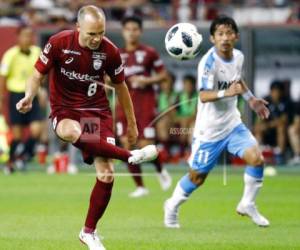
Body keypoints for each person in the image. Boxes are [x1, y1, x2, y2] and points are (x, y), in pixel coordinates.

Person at [16, 5, 158, 250]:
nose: (96, 39)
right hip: (66, 111)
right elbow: (38, 74)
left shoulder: (110, 51)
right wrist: (29, 96)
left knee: (106, 174)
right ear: (78, 27)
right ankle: (130, 157)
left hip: (95, 114)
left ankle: (88, 232)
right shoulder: (59, 42)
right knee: (71, 132)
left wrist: (132, 123)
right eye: (91, 33)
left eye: (101, 33)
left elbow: (121, 88)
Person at [164, 15, 271, 229]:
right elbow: (203, 96)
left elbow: (237, 80)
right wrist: (227, 92)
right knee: (197, 178)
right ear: (212, 38)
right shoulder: (208, 62)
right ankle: (172, 205)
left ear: (236, 36)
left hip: (233, 125)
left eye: (229, 33)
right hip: (209, 131)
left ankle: (247, 203)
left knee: (257, 159)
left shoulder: (238, 57)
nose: (225, 38)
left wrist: (251, 100)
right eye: (220, 34)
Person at [117, 15, 172, 198]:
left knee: (145, 145)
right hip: (124, 105)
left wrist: (146, 80)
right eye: (128, 29)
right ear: (123, 32)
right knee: (127, 144)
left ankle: (160, 170)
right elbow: (107, 78)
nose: (131, 33)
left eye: (135, 29)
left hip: (145, 104)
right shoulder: (117, 54)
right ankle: (141, 186)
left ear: (140, 31)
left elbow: (164, 76)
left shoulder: (149, 52)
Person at [0, 25, 45, 173]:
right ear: (18, 37)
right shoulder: (10, 55)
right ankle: (11, 162)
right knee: (17, 135)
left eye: (29, 35)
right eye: (24, 35)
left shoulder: (37, 52)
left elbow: (43, 73)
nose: (27, 38)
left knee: (37, 130)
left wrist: (42, 90)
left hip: (32, 94)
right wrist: (1, 98)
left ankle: (23, 156)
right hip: (16, 95)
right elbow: (3, 77)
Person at [254, 80, 292, 164]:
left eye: (278, 91)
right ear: (270, 92)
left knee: (281, 128)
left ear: (282, 92)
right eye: (274, 91)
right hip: (268, 130)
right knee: (258, 128)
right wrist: (262, 125)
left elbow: (283, 120)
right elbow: (259, 118)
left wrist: (269, 125)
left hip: (281, 132)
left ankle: (279, 156)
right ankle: (258, 155)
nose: (276, 93)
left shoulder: (287, 102)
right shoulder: (265, 101)